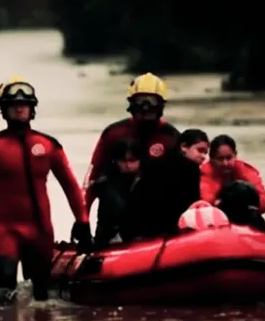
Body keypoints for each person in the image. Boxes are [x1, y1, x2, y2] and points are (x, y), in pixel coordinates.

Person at [0, 76, 93, 305]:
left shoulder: (49, 145)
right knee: (5, 289)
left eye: (24, 105)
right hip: (4, 230)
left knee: (41, 297)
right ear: (3, 110)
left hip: (40, 231)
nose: (20, 110)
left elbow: (70, 185)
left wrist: (83, 222)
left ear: (32, 109)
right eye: (14, 106)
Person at [82, 73, 181, 213]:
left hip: (157, 210)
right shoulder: (113, 133)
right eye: (140, 101)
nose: (145, 108)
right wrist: (82, 218)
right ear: (132, 104)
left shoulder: (172, 137)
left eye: (151, 101)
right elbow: (93, 175)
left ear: (160, 105)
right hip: (115, 209)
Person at [120, 129, 204, 241]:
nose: (204, 156)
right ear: (184, 147)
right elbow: (188, 205)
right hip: (153, 231)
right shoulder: (190, 170)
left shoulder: (161, 162)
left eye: (206, 152)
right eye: (200, 151)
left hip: (134, 229)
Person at [89, 139, 143, 249]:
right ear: (115, 161)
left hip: (141, 237)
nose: (128, 165)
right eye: (123, 161)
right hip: (110, 238)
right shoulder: (104, 183)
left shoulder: (148, 181)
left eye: (133, 160)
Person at [200, 134, 265, 214]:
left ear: (235, 155)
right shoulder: (204, 174)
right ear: (211, 158)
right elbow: (206, 203)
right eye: (220, 159)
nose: (225, 163)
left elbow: (263, 203)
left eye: (229, 158)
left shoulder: (245, 171)